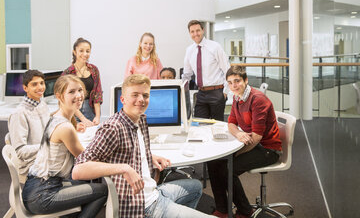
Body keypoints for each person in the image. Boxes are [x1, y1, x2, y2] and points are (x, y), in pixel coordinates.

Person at [72, 74, 214, 218]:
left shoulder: (140, 120)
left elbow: (128, 148)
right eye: (135, 95)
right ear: (122, 99)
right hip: (144, 206)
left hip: (154, 191)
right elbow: (78, 170)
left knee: (195, 187)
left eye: (145, 95)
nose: (141, 99)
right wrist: (124, 168)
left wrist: (149, 156)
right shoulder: (112, 128)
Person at [22, 75, 108, 217]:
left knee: (83, 182)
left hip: (35, 187)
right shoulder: (65, 127)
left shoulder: (56, 117)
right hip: (42, 194)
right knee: (102, 190)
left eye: (80, 90)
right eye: (71, 92)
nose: (79, 95)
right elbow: (86, 159)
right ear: (59, 96)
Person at [207, 66, 282, 218]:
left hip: (267, 149)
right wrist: (239, 133)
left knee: (228, 170)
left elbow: (256, 137)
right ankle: (222, 210)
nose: (234, 85)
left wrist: (235, 155)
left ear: (246, 80)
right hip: (250, 144)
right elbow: (231, 123)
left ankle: (245, 211)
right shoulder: (237, 97)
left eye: (237, 81)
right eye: (230, 82)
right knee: (214, 162)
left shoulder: (257, 100)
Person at [182, 20, 230, 121]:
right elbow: (187, 74)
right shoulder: (189, 50)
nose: (195, 34)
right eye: (192, 31)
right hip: (201, 93)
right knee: (199, 125)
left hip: (217, 92)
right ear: (189, 33)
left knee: (217, 126)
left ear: (203, 30)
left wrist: (225, 92)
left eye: (198, 30)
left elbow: (227, 70)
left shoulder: (215, 47)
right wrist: (181, 89)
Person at [8, 69, 50, 176]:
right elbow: (20, 151)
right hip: (30, 164)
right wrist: (47, 146)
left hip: (45, 156)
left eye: (42, 83)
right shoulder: (19, 114)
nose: (40, 87)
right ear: (25, 88)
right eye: (34, 84)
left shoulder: (42, 104)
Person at [62, 37, 103, 127]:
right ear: (74, 52)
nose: (85, 54)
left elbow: (97, 93)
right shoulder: (68, 73)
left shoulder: (94, 70)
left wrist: (97, 116)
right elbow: (66, 99)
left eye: (87, 51)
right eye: (81, 51)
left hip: (90, 110)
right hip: (73, 112)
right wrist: (83, 119)